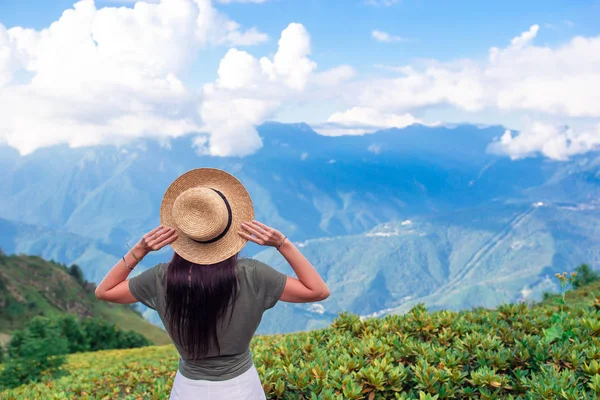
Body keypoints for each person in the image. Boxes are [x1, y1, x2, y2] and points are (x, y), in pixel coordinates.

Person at [95, 168, 330, 399]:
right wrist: (282, 243)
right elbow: (318, 291)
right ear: (230, 228)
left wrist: (140, 249)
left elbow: (105, 291)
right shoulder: (253, 275)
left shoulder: (161, 278)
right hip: (242, 388)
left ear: (181, 233)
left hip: (187, 389)